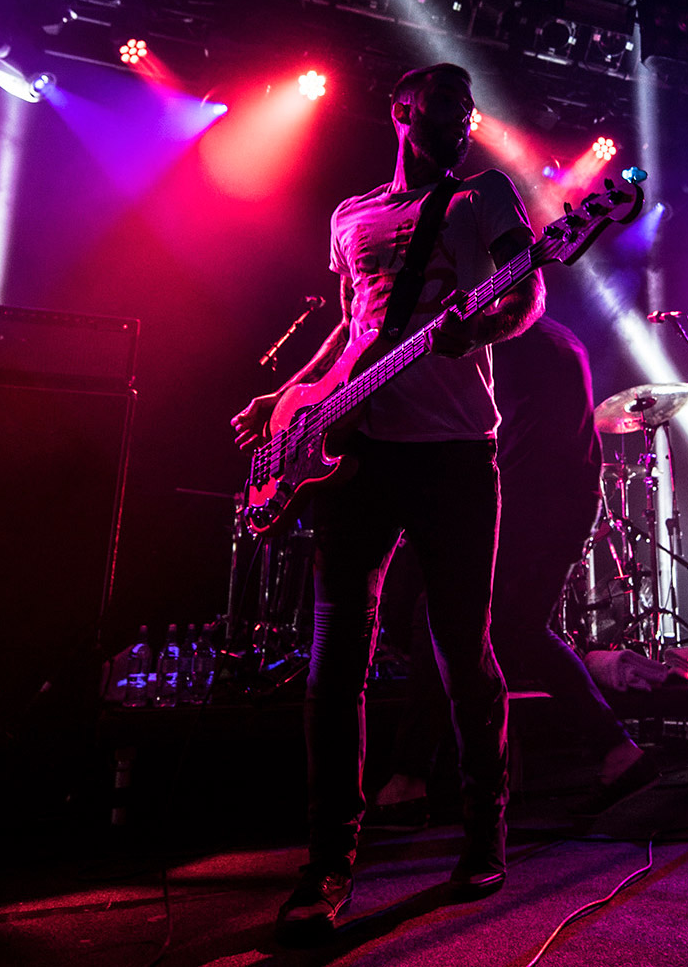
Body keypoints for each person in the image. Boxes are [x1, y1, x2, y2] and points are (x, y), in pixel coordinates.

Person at [231, 62, 540, 946]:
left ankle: (484, 830)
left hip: (454, 453)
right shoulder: (352, 214)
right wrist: (288, 397)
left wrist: (476, 326)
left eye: (470, 107)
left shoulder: (484, 195)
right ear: (401, 110)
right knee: (335, 664)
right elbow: (352, 325)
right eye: (444, 103)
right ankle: (328, 863)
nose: (462, 118)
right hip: (355, 452)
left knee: (461, 651)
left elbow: (526, 289)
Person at [372, 317, 656, 825]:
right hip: (561, 503)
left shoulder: (505, 337)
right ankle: (618, 752)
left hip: (530, 505)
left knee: (440, 615)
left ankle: (411, 778)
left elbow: (483, 432)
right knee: (517, 630)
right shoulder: (558, 335)